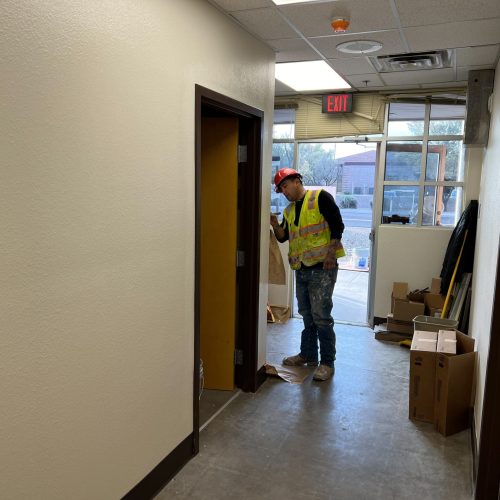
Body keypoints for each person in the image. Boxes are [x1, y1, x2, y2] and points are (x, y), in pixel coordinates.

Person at [270, 168, 345, 381]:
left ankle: (327, 363)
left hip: (323, 267)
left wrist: (331, 255)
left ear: (296, 181)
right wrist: (275, 225)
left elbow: (338, 226)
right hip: (301, 268)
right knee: (307, 314)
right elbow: (284, 237)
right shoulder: (289, 211)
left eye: (285, 186)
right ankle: (308, 355)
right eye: (280, 189)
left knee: (322, 317)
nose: (284, 192)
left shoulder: (320, 197)